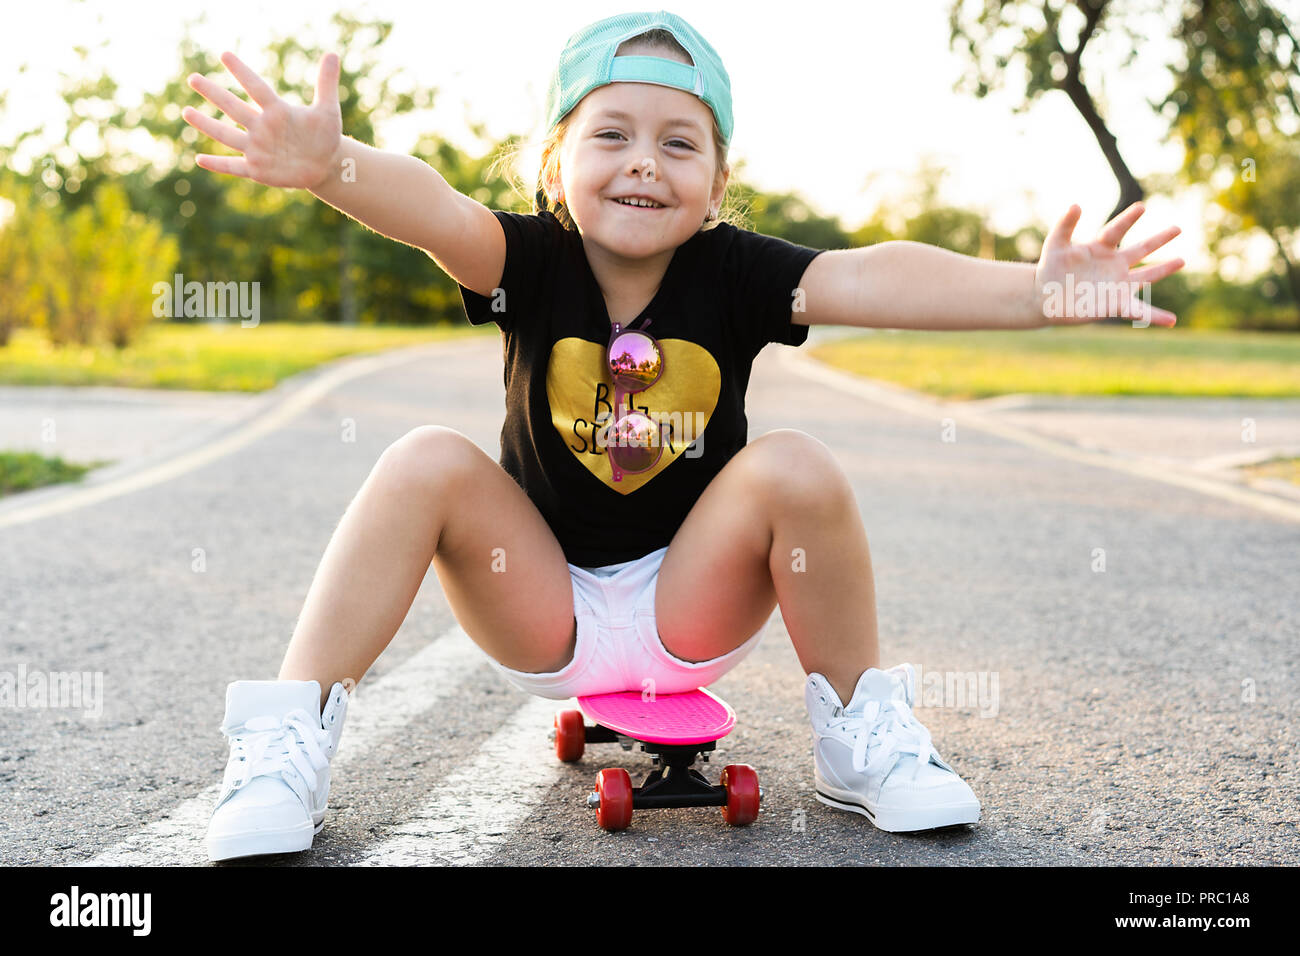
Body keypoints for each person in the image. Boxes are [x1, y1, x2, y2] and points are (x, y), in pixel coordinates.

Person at [183, 11, 1184, 861]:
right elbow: (432, 207)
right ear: (555, 160)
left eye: (678, 142)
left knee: (796, 463)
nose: (642, 164)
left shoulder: (738, 272)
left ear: (716, 178)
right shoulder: (524, 258)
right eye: (610, 134)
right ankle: (286, 747)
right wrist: (332, 167)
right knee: (422, 461)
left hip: (686, 601)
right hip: (541, 601)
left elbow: (874, 276)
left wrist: (1037, 292)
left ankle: (861, 736)